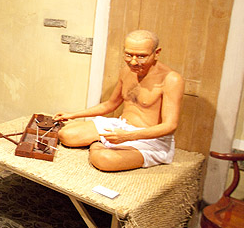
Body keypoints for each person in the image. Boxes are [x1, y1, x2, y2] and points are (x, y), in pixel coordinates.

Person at [53, 30, 184, 171]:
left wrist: (128, 136)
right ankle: (105, 144)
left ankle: (98, 145)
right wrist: (72, 115)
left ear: (156, 53)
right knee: (66, 135)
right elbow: (111, 104)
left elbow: (170, 126)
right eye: (129, 55)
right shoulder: (126, 71)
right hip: (121, 127)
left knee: (104, 160)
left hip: (150, 139)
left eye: (141, 56)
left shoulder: (171, 79)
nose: (133, 62)